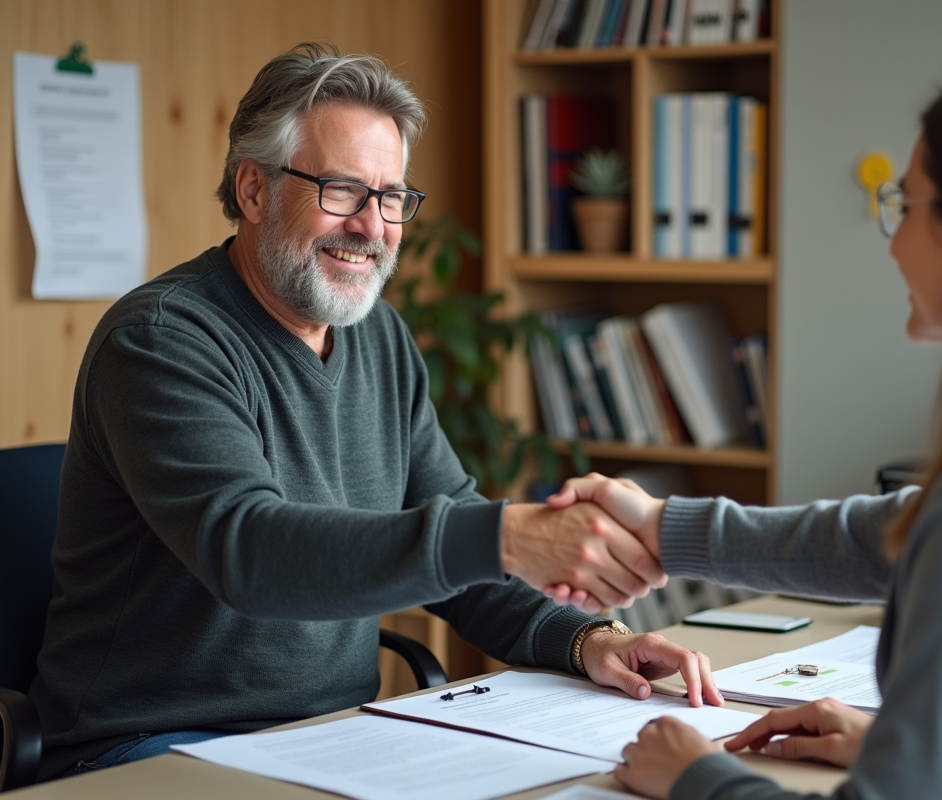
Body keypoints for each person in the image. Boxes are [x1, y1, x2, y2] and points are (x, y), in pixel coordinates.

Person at [30, 43, 722, 781]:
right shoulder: (161, 340)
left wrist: (587, 641)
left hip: (331, 739)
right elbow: (249, 552)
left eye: (391, 197)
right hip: (148, 745)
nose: (373, 226)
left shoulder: (378, 335)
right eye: (341, 190)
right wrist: (508, 536)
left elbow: (459, 547)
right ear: (254, 190)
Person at [546, 59, 942, 800]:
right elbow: (891, 536)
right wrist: (665, 527)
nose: (892, 241)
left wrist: (698, 776)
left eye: (905, 204)